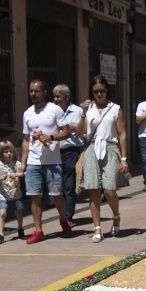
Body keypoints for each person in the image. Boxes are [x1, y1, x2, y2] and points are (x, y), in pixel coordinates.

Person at [19, 78, 72, 243]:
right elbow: (26, 139)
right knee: (35, 196)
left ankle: (63, 220)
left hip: (52, 161)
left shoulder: (55, 110)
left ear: (44, 92)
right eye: (31, 91)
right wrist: (23, 161)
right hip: (34, 161)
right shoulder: (27, 113)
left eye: (37, 91)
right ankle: (38, 230)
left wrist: (50, 136)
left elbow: (66, 132)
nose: (33, 94)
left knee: (56, 195)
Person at [77, 74, 127, 242]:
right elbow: (79, 132)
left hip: (110, 148)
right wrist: (83, 113)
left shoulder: (115, 108)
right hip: (91, 149)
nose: (99, 94)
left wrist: (124, 158)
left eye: (102, 91)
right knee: (93, 191)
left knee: (109, 190)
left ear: (107, 91)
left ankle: (116, 216)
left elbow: (122, 134)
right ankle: (97, 228)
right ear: (92, 92)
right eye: (96, 91)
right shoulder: (88, 108)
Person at [51, 84, 85, 222]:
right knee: (57, 185)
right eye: (54, 96)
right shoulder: (51, 111)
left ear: (66, 96)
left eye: (58, 96)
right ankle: (62, 213)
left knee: (69, 184)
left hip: (71, 151)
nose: (56, 99)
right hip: (54, 151)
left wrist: (74, 127)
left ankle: (68, 216)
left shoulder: (77, 111)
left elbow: (85, 129)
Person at [0, 140, 26, 243]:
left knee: (19, 212)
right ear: (1, 153)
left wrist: (16, 174)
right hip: (4, 195)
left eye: (10, 151)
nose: (9, 154)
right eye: (6, 152)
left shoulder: (17, 163)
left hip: (16, 193)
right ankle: (1, 234)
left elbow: (22, 173)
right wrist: (0, 178)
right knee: (2, 213)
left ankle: (20, 228)